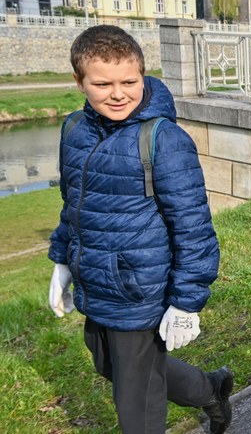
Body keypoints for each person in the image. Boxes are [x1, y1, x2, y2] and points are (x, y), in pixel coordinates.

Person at [47, 25, 233, 434]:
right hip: (95, 278)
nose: (118, 93)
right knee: (108, 363)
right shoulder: (75, 129)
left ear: (142, 75)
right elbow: (74, 204)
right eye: (102, 83)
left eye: (129, 82)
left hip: (139, 287)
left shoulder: (162, 139)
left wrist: (187, 302)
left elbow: (194, 228)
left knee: (137, 408)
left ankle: (207, 393)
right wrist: (61, 260)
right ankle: (210, 390)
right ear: (79, 81)